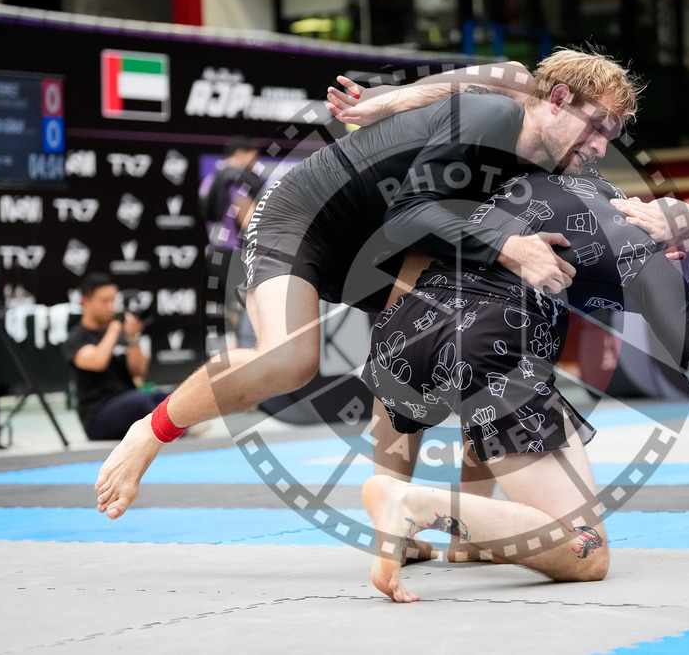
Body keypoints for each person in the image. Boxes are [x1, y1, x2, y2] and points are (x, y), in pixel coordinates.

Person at [95, 48, 648, 520]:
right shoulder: (493, 116)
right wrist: (392, 102)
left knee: (448, 341)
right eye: (597, 127)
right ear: (555, 100)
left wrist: (664, 223)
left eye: (613, 135)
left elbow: (598, 201)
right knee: (289, 359)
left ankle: (407, 518)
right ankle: (150, 430)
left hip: (389, 243)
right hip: (308, 220)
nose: (602, 146)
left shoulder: (552, 160)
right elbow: (410, 210)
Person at [361, 168, 689, 602]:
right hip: (489, 350)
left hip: (403, 331)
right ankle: (416, 506)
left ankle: (469, 538)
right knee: (587, 552)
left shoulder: (577, 179)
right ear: (679, 252)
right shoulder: (655, 263)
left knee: (492, 395)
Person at [63, 273, 169, 441]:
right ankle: (173, 432)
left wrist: (133, 338)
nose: (110, 306)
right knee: (139, 403)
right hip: (97, 414)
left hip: (127, 399)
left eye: (113, 300)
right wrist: (114, 328)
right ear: (85, 302)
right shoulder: (76, 338)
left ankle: (176, 431)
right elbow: (98, 362)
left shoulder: (121, 333)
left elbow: (138, 371)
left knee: (165, 398)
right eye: (104, 301)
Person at [199, 135, 264, 349]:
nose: (254, 164)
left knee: (228, 317)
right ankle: (245, 367)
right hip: (235, 256)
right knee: (246, 315)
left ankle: (230, 366)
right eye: (253, 158)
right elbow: (248, 219)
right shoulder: (236, 178)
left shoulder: (210, 179)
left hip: (215, 254)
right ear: (241, 154)